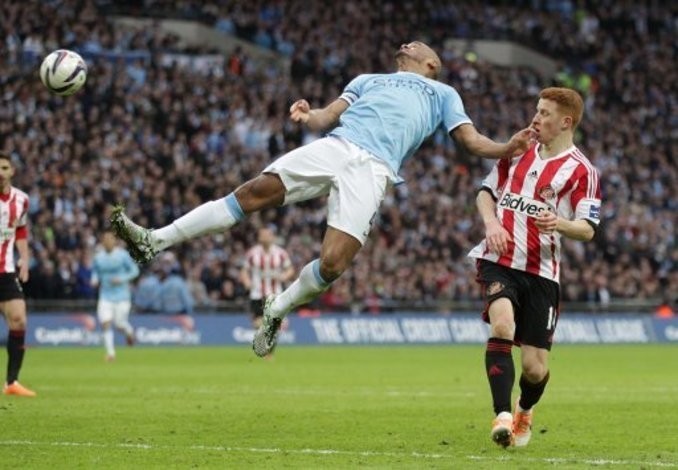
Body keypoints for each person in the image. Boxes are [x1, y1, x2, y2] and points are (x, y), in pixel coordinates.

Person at [111, 41, 535, 357]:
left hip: (374, 170)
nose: (406, 44)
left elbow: (471, 140)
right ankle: (154, 240)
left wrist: (506, 147)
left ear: (431, 64)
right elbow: (326, 116)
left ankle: (276, 309)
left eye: (416, 44)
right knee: (252, 192)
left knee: (333, 264)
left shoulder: (442, 94)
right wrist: (307, 113)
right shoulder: (368, 80)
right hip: (337, 144)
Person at [467, 87, 601, 448]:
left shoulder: (583, 171)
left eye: (544, 113)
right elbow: (485, 193)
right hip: (500, 260)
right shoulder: (519, 148)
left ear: (565, 122)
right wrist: (491, 224)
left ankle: (524, 409)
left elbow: (588, 229)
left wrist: (559, 223)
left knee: (535, 368)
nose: (535, 118)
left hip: (542, 271)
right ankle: (502, 416)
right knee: (502, 325)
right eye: (536, 110)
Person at [0, 154, 36, 397]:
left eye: (4, 167)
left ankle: (12, 382)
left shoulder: (21, 199)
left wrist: (24, 259)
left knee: (19, 320)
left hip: (6, 270)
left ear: (12, 170)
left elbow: (21, 230)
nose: (0, 172)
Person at [91, 230, 140, 361]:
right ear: (102, 242)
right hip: (105, 296)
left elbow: (135, 271)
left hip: (122, 296)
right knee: (105, 323)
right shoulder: (98, 257)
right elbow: (95, 272)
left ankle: (129, 333)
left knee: (119, 324)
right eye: (105, 239)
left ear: (114, 241)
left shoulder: (122, 255)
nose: (107, 242)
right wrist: (94, 280)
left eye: (110, 239)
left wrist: (122, 279)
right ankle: (111, 354)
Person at [240, 226, 294, 329]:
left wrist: (283, 276)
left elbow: (290, 269)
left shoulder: (281, 253)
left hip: (275, 294)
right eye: (262, 235)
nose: (264, 237)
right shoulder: (252, 253)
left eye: (266, 235)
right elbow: (244, 270)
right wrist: (247, 282)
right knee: (258, 324)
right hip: (257, 294)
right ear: (259, 237)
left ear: (272, 237)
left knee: (276, 325)